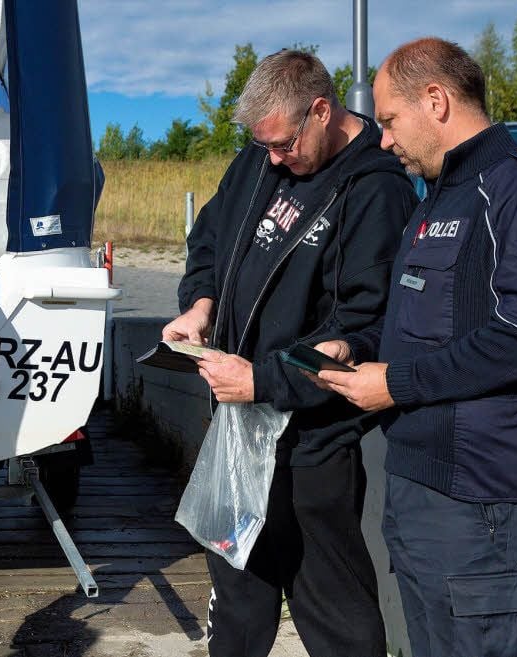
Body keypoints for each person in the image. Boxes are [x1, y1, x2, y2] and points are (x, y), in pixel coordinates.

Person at [314, 37, 517, 657]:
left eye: (388, 120)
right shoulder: (436, 195)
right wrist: (354, 347)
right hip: (418, 491)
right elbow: (420, 323)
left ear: (435, 100)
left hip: (483, 504)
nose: (383, 139)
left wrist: (395, 385)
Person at [163, 49, 417, 657]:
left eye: (283, 145)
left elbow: (367, 325)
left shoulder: (376, 190)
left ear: (322, 111)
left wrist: (268, 381)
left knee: (331, 607)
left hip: (312, 440)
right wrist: (199, 303)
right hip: (237, 427)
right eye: (264, 147)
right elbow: (208, 242)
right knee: (237, 597)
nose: (273, 159)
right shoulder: (257, 160)